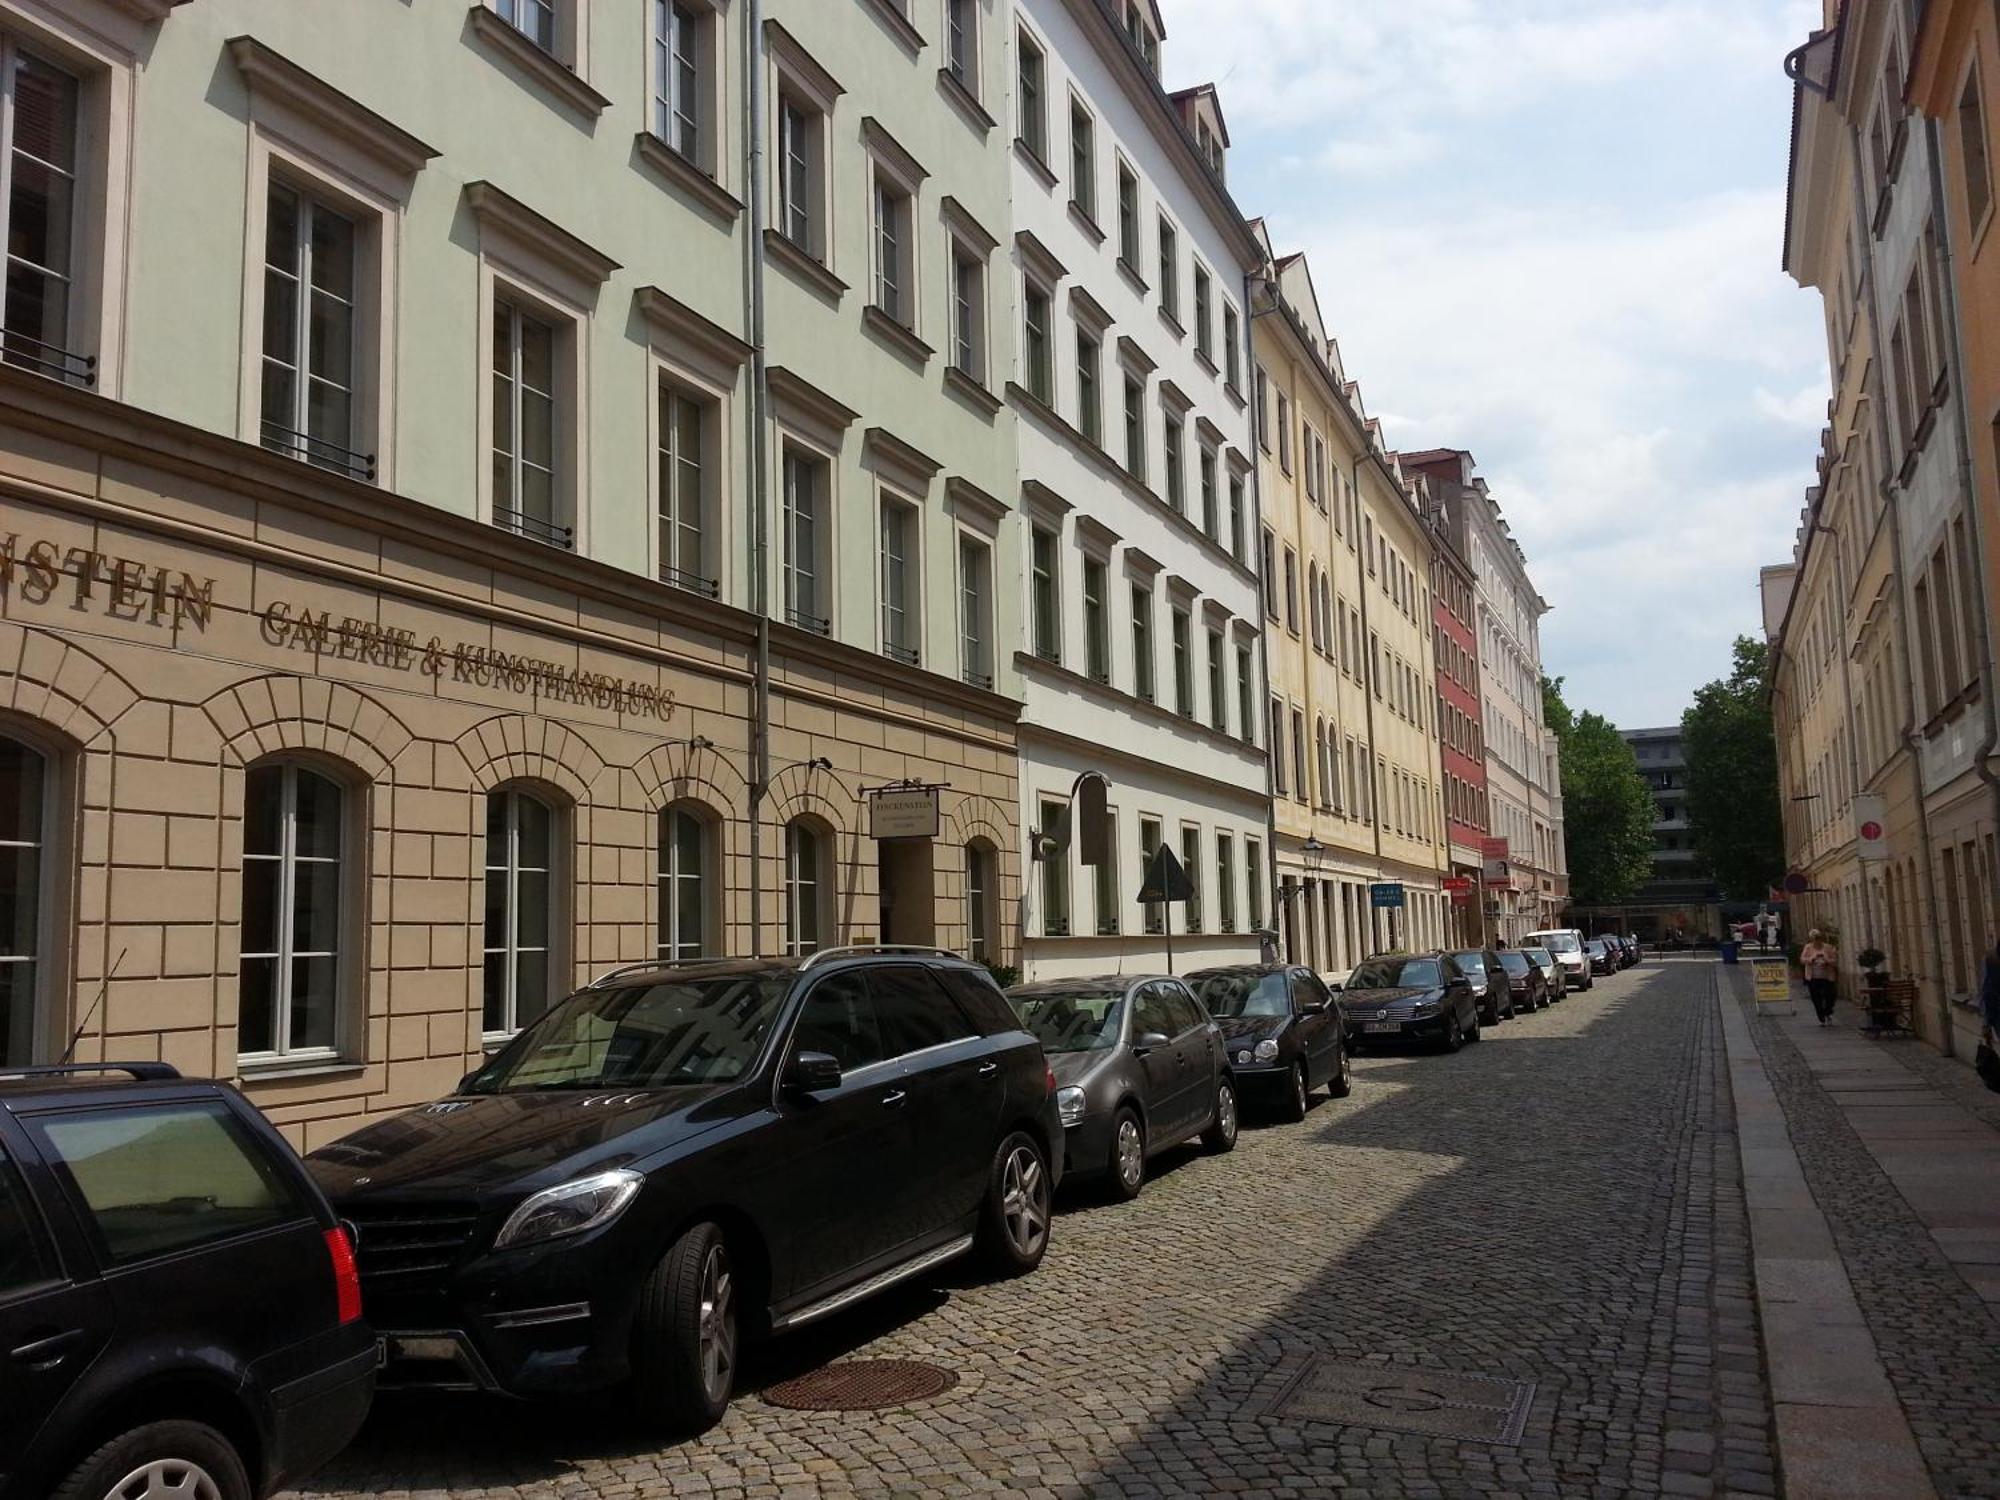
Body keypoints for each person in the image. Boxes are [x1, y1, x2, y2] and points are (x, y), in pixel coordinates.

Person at [1800, 929, 1839, 1026]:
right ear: (1812, 940)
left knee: (1830, 996)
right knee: (1816, 998)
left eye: (1818, 938)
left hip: (1827, 977)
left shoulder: (1828, 947)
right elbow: (1802, 960)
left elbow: (1834, 961)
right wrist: (1812, 958)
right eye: (1814, 939)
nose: (1817, 941)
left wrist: (1826, 960)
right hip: (1813, 977)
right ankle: (1821, 1017)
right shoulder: (1808, 948)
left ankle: (1828, 1012)